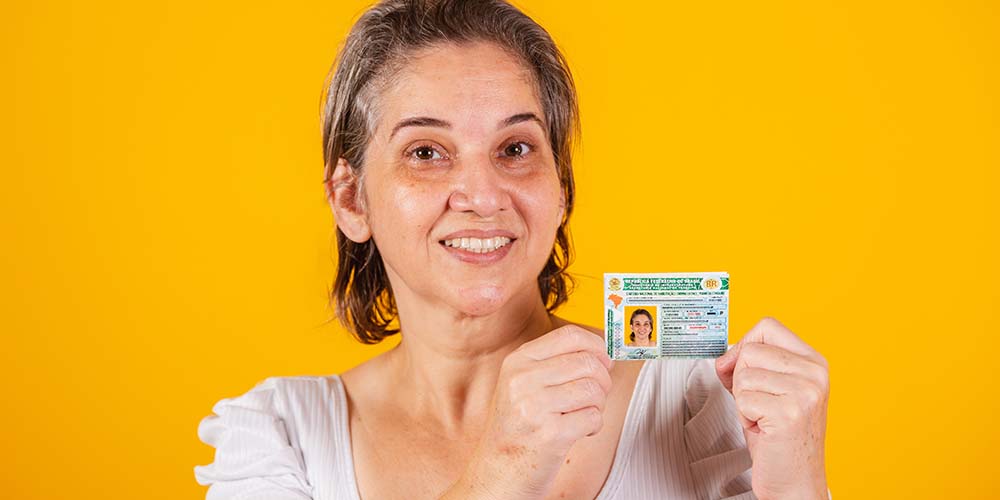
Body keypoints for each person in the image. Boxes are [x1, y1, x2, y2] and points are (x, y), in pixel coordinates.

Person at [194, 1, 832, 499]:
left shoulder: (691, 400)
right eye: (425, 153)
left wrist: (796, 489)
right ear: (350, 199)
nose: (482, 194)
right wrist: (504, 470)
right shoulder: (280, 436)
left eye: (516, 149)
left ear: (560, 191)